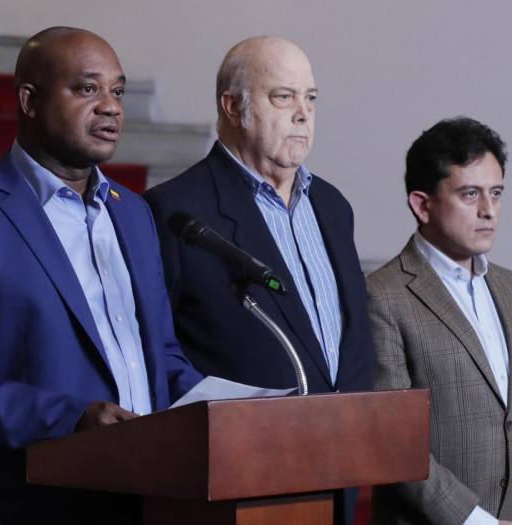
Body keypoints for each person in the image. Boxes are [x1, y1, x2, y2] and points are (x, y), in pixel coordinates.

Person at [0, 27, 205, 523]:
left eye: (118, 91)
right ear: (30, 100)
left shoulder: (134, 214)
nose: (110, 106)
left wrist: (227, 406)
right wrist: (71, 418)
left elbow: (159, 356)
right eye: (87, 89)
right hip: (34, 501)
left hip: (148, 494)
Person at [142, 36, 372, 524]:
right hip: (241, 478)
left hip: (339, 468)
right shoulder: (174, 211)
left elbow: (347, 341)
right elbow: (157, 355)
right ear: (233, 107)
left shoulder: (333, 207)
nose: (303, 114)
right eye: (283, 97)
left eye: (310, 98)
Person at [368, 117, 512, 525]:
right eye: (470, 194)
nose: (489, 210)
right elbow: (396, 442)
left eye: (496, 193)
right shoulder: (382, 296)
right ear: (422, 204)